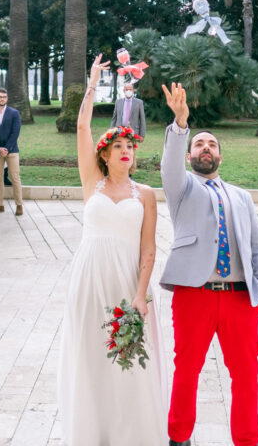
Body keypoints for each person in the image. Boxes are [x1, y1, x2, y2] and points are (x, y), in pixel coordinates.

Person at [57, 55, 165, 445]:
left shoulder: (146, 194)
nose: (125, 151)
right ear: (104, 154)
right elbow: (83, 126)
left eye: (129, 146)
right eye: (117, 146)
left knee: (128, 360)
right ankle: (93, 432)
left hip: (127, 280)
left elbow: (149, 249)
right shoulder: (93, 184)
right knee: (91, 353)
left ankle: (129, 434)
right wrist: (92, 84)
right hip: (90, 277)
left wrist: (140, 294)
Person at [161, 82, 258, 446]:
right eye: (199, 144)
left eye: (212, 145)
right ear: (191, 154)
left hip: (240, 298)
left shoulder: (241, 196)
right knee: (187, 371)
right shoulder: (182, 189)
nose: (205, 148)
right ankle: (179, 437)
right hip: (195, 293)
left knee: (246, 375)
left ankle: (247, 440)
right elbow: (171, 163)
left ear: (220, 157)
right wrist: (181, 125)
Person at [0, 88, 23, 216]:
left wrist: (6, 148)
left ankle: (19, 205)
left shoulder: (14, 113)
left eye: (4, 97)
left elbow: (15, 132)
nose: (2, 99)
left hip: (12, 151)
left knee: (15, 177)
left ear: (7, 98)